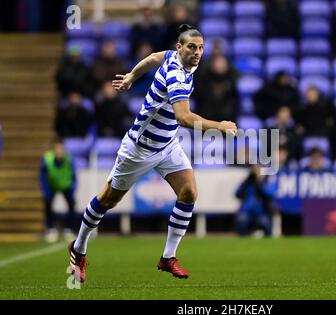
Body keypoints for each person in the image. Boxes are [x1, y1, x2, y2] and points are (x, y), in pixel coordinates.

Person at [68, 24, 238, 282]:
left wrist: (131, 76)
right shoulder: (177, 75)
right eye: (192, 47)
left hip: (167, 144)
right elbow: (183, 117)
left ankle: (168, 257)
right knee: (108, 200)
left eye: (201, 48)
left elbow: (152, 58)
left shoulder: (174, 56)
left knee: (189, 192)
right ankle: (78, 248)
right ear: (181, 47)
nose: (198, 52)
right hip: (140, 148)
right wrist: (220, 126)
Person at [40, 138, 77, 242]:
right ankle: (51, 229)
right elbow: (42, 176)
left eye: (61, 149)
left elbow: (74, 175)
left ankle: (69, 230)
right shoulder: (47, 159)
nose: (59, 151)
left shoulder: (69, 158)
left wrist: (73, 188)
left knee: (72, 205)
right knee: (48, 205)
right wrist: (45, 190)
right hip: (52, 185)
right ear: (54, 150)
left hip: (66, 186)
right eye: (57, 149)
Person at [235, 164, 277, 237]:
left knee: (265, 222)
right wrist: (245, 183)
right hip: (247, 212)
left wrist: (259, 183)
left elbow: (270, 195)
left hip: (262, 212)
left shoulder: (267, 182)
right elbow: (237, 194)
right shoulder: (248, 183)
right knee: (242, 219)